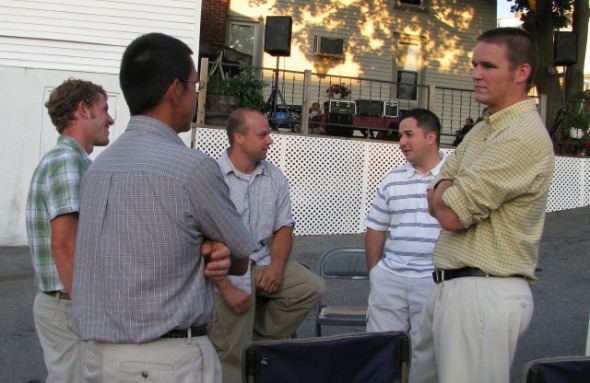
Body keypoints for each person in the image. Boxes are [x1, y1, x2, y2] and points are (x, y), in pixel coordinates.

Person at [72, 33, 256, 383]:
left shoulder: (97, 169)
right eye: (195, 86)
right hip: (167, 361)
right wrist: (215, 249)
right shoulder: (192, 168)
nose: (195, 95)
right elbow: (240, 258)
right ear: (176, 89)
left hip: (96, 358)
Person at [412, 27, 555, 383]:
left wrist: (445, 186)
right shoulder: (484, 129)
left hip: (483, 292)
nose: (475, 73)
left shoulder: (520, 135)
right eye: (474, 64)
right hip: (456, 289)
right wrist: (446, 185)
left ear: (521, 72)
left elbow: (448, 212)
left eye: (488, 65)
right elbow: (436, 190)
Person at [209, 108, 325, 383]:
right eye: (262, 135)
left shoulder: (274, 176)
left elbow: (284, 227)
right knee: (231, 351)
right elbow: (202, 239)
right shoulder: (211, 176)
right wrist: (226, 284)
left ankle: (258, 342)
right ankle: (237, 360)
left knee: (310, 286)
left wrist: (276, 265)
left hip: (262, 259)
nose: (269, 141)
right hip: (227, 267)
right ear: (238, 137)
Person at [25, 78, 114, 382]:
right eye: (104, 109)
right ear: (82, 110)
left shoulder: (72, 160)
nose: (110, 118)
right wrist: (87, 309)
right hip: (68, 305)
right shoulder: (66, 162)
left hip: (66, 302)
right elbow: (65, 245)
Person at [364, 108, 445, 353]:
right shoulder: (392, 179)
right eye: (400, 136)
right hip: (390, 280)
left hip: (434, 281)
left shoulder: (455, 177)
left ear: (431, 137)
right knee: (381, 351)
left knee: (429, 356)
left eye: (409, 134)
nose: (402, 142)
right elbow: (376, 227)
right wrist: (376, 273)